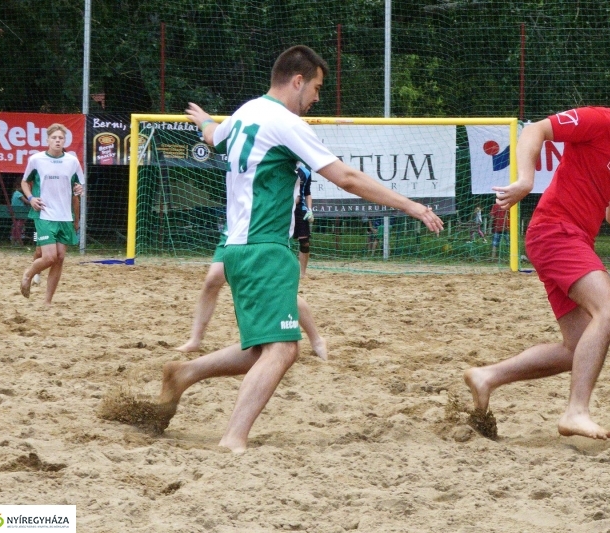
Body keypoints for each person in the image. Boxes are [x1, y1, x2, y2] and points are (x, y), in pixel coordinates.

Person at [160, 45, 442, 453]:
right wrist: (412, 205)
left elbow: (212, 135)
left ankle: (183, 373)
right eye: (316, 88)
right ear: (297, 81)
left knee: (262, 346)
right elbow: (345, 177)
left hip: (235, 249)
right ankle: (233, 437)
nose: (316, 98)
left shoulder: (244, 113)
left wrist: (206, 119)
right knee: (283, 350)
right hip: (265, 246)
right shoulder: (285, 122)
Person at [464, 66, 610, 440]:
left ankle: (487, 376)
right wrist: (526, 179)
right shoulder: (600, 121)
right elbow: (536, 128)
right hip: (555, 231)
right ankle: (575, 411)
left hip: (571, 240)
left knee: (579, 348)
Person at [175, 228, 328, 359]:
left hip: (261, 231)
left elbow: (292, 198)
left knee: (277, 290)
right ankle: (195, 340)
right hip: (234, 231)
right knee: (212, 280)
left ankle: (316, 339)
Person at [19, 124, 85, 305]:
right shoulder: (37, 159)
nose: (57, 140)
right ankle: (28, 274)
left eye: (61, 138)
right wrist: (31, 198)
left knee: (60, 258)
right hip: (44, 214)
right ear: (47, 140)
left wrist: (80, 189)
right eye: (54, 137)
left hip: (65, 216)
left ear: (65, 141)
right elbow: (25, 182)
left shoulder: (72, 161)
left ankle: (47, 302)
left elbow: (79, 187)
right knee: (49, 257)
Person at [293, 164, 314, 278]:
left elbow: (307, 193)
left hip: (300, 210)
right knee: (280, 240)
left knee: (305, 242)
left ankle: (303, 273)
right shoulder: (281, 167)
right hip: (283, 209)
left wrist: (310, 210)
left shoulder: (305, 172)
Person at [10, 179, 31, 246]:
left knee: (17, 226)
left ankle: (15, 240)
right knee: (19, 226)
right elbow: (27, 202)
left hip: (16, 213)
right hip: (20, 213)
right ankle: (18, 240)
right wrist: (33, 201)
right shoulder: (18, 194)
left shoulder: (15, 193)